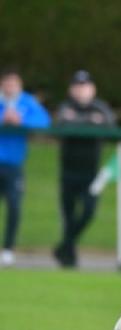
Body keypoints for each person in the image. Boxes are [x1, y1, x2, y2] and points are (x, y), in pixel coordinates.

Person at [53, 70, 117, 267]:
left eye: (85, 86)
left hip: (91, 172)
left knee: (89, 211)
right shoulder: (65, 107)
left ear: (92, 89)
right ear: (71, 89)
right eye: (77, 86)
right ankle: (68, 257)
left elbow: (110, 124)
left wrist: (78, 119)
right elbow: (61, 124)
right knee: (68, 215)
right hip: (68, 171)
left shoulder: (100, 107)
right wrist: (90, 120)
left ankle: (64, 246)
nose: (81, 90)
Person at [0, 67, 51, 266]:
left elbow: (44, 121)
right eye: (7, 83)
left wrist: (21, 121)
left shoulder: (27, 102)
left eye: (14, 84)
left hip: (14, 165)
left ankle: (8, 248)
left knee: (14, 206)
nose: (10, 87)